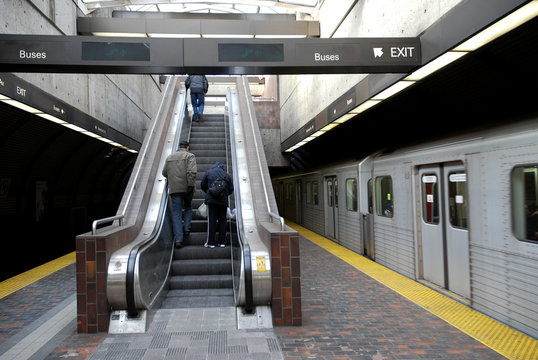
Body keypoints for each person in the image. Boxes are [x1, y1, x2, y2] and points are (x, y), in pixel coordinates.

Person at [162, 140, 197, 248]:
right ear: (187, 148)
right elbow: (192, 172)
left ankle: (178, 240)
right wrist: (190, 185)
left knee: (176, 213)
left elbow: (164, 172)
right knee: (188, 207)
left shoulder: (169, 157)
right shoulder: (190, 156)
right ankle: (186, 228)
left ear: (179, 147)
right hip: (187, 188)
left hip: (174, 189)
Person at [201, 162, 233, 248]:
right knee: (223, 221)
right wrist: (223, 194)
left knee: (212, 221)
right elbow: (231, 189)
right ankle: (222, 242)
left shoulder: (208, 172)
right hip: (223, 201)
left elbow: (203, 185)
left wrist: (210, 191)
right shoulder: (227, 175)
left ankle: (211, 243)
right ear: (222, 167)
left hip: (211, 201)